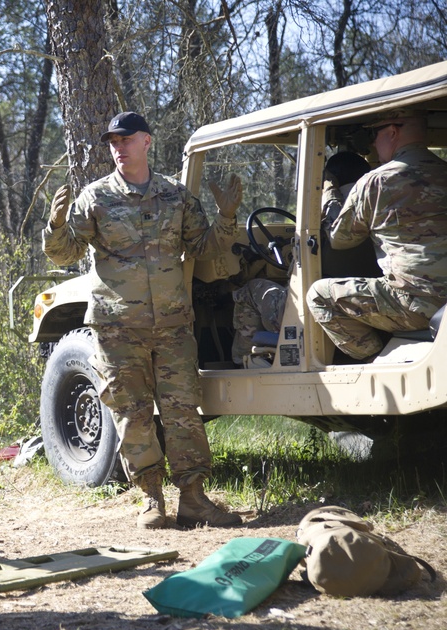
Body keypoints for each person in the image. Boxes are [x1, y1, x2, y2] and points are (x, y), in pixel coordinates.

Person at [43, 111, 244, 530]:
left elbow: (205, 248)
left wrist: (226, 218)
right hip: (118, 328)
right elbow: (65, 254)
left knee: (182, 412)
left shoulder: (175, 195)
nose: (118, 147)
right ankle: (151, 498)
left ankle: (193, 499)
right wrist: (56, 225)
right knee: (132, 414)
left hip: (172, 326)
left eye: (126, 139)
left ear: (146, 142)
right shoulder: (96, 197)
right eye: (113, 142)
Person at [308, 109, 447, 361]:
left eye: (374, 134)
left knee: (318, 295)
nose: (372, 143)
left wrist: (329, 192)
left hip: (415, 303)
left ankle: (373, 362)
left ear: (392, 132)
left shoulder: (377, 181)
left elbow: (339, 239)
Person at [231, 152, 372, 367]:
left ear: (329, 180)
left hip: (317, 308)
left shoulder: (328, 218)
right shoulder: (377, 206)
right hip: (365, 302)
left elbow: (299, 270)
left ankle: (241, 364)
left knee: (250, 290)